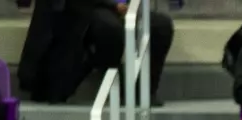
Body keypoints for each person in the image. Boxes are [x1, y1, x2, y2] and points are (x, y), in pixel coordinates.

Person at [19, 0, 173, 105]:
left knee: (161, 26)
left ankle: (143, 91)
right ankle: (114, 84)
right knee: (109, 29)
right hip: (85, 8)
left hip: (124, 8)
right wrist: (113, 5)